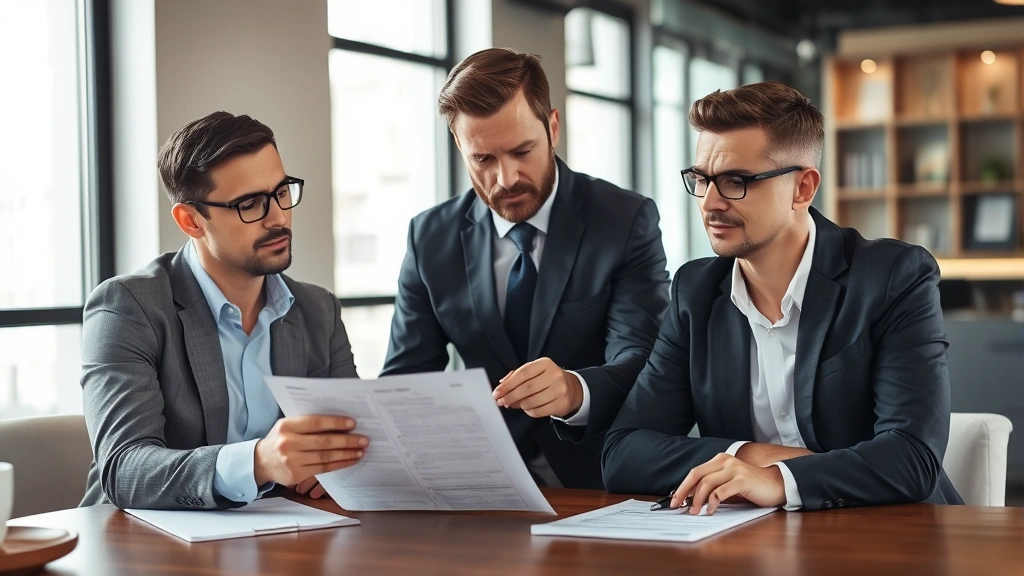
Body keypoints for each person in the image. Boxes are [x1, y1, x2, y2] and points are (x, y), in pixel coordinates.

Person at [603, 82, 963, 512]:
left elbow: (912, 458)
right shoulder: (694, 292)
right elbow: (624, 453)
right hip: (754, 541)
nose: (710, 202)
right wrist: (751, 458)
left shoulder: (892, 278)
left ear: (803, 189)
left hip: (892, 535)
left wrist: (779, 481)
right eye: (702, 180)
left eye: (736, 181)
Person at [381, 48, 670, 489]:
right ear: (460, 146)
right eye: (483, 159)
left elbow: (645, 361)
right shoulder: (429, 237)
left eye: (522, 151)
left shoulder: (624, 220)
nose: (506, 178)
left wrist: (575, 390)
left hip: (599, 482)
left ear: (553, 127)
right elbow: (407, 382)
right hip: (478, 486)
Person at [81, 112, 368, 510]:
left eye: (282, 191)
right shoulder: (128, 308)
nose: (279, 217)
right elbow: (125, 468)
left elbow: (352, 437)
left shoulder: (318, 310)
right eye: (250, 204)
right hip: (138, 544)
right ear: (191, 220)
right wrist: (257, 462)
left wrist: (332, 466)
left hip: (279, 539)